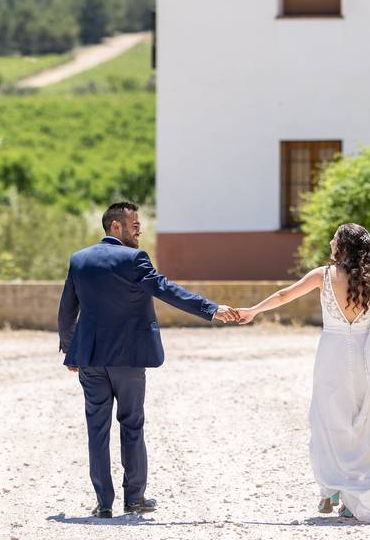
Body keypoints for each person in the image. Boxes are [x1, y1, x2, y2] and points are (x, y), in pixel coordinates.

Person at [58, 201, 243, 519]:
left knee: (97, 429)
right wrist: (211, 309)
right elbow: (165, 289)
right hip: (129, 360)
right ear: (115, 226)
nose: (139, 230)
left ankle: (103, 504)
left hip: (89, 361)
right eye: (134, 225)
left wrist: (70, 350)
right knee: (131, 425)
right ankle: (133, 499)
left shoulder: (80, 260)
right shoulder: (135, 259)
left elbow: (66, 310)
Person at [236, 223, 370, 523]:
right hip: (366, 356)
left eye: (335, 238)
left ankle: (332, 489)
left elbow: (283, 295)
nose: (330, 241)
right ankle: (356, 498)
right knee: (363, 423)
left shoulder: (324, 276)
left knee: (329, 420)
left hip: (332, 357)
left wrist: (252, 311)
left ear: (342, 246)